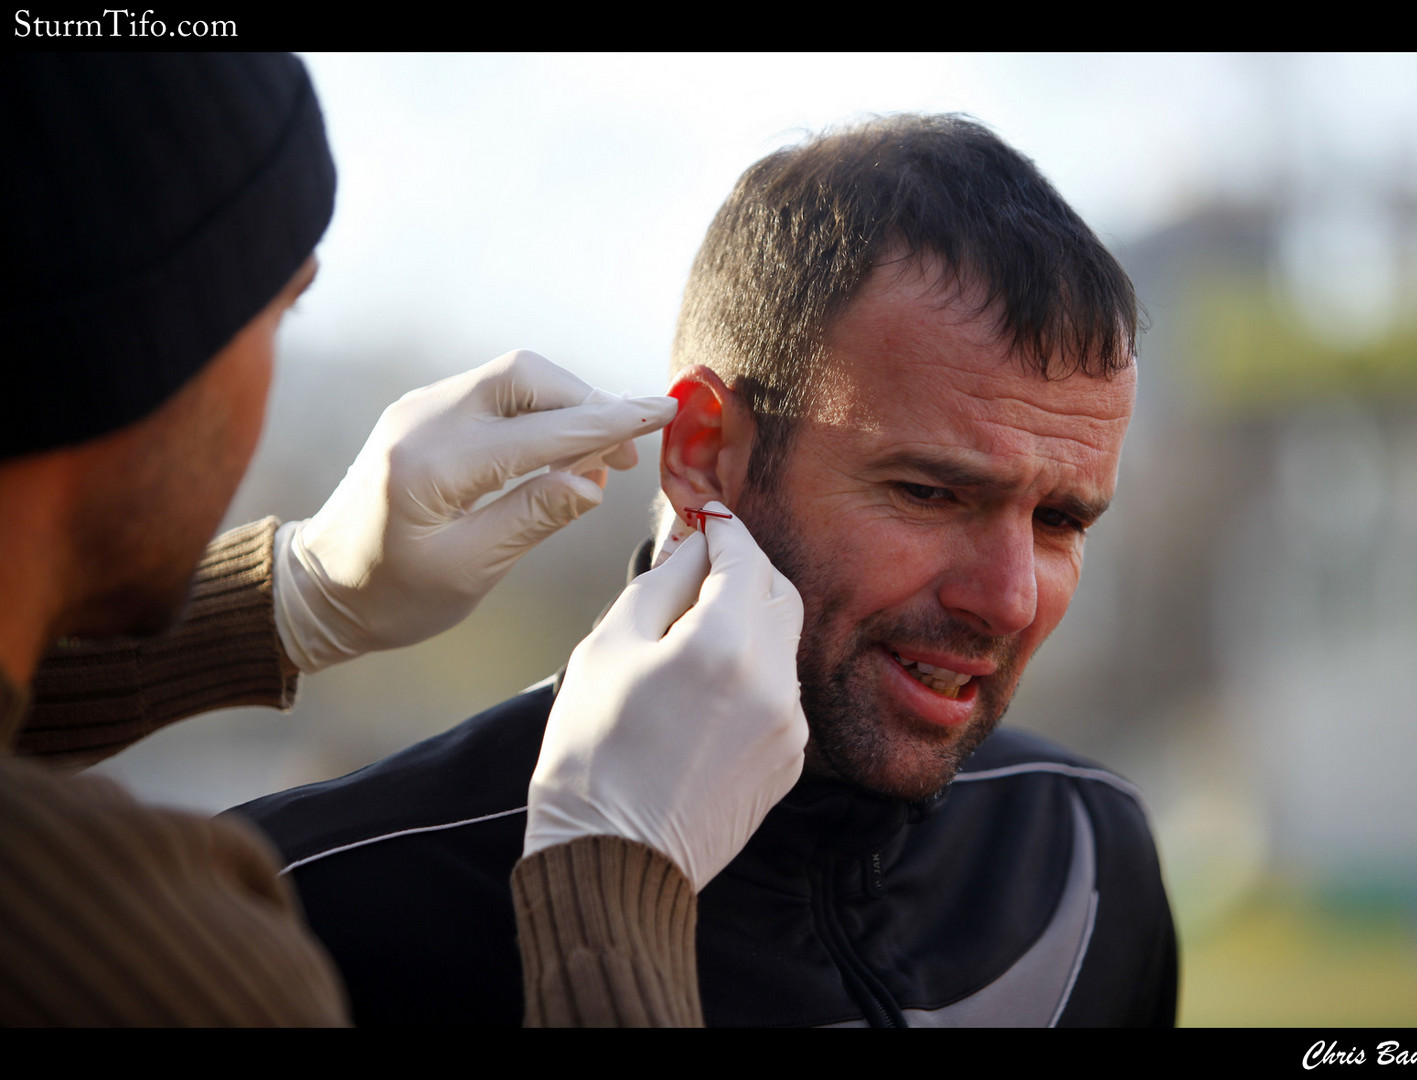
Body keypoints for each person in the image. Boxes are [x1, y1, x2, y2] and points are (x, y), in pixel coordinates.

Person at [235, 114, 1178, 1027]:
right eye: (929, 493)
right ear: (699, 451)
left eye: (1059, 520)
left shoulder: (1083, 849)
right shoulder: (297, 915)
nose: (1009, 599)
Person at [1, 53, 807, 1026]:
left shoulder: (1044, 813)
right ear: (147, 347)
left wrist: (289, 596)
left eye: (1053, 518)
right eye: (280, 313)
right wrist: (609, 883)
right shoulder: (157, 964)